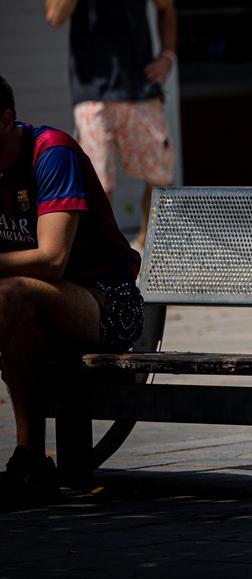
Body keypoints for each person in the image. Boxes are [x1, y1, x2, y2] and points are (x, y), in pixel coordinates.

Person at [0, 74, 144, 511]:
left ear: (5, 120)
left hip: (108, 302)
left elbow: (52, 259)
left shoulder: (50, 151)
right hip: (38, 305)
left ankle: (30, 461)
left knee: (10, 296)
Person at [44, 0, 178, 252]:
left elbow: (166, 7)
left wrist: (167, 55)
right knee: (97, 183)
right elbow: (55, 15)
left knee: (160, 174)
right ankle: (106, 255)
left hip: (140, 86)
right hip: (93, 90)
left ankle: (146, 248)